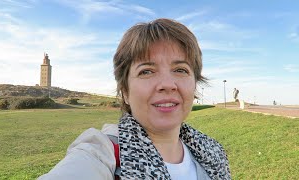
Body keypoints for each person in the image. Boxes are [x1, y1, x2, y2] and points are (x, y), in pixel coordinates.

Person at [39, 18, 231, 180]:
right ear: (125, 91)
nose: (167, 84)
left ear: (194, 84)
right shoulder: (102, 154)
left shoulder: (212, 152)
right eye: (146, 71)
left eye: (180, 70)